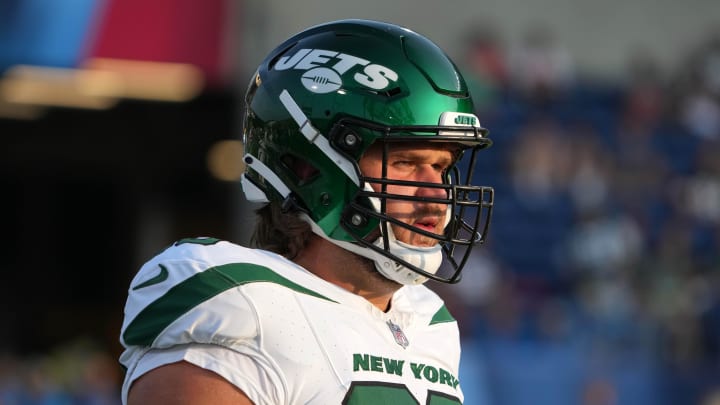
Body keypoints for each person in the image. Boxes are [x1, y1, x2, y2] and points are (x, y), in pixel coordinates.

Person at [118, 19, 494, 405]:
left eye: (442, 167)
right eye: (403, 163)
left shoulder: (427, 321)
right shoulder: (243, 304)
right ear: (309, 169)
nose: (435, 196)